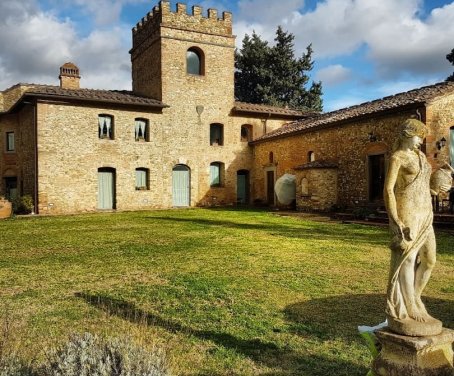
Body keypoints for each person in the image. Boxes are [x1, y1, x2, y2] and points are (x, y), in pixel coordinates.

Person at [383, 119, 451, 336]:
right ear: (405, 134)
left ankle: (415, 297)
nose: (420, 143)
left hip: (425, 212)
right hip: (408, 212)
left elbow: (424, 184)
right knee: (408, 259)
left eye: (422, 139)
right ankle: (409, 305)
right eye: (417, 138)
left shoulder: (421, 157)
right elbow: (388, 190)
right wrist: (395, 220)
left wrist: (438, 186)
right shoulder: (398, 157)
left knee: (430, 259)